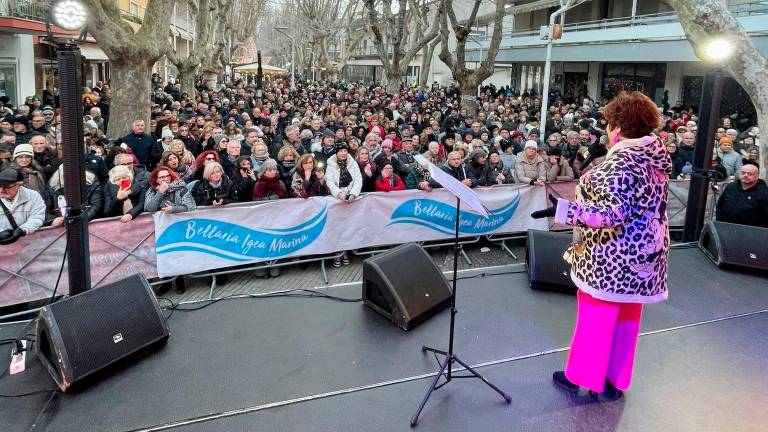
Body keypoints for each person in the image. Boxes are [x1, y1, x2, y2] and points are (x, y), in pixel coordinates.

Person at [531, 91, 672, 400]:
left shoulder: (620, 163)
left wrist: (566, 210)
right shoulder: (653, 158)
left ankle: (582, 376)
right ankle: (614, 379)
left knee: (596, 317)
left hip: (614, 256)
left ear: (617, 128)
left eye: (608, 124)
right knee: (627, 318)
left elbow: (611, 215)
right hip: (646, 255)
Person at [326, 142, 362, 268]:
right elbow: (329, 182)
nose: (344, 153)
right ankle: (339, 252)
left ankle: (346, 251)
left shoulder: (353, 163)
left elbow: (358, 179)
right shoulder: (330, 165)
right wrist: (339, 194)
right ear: (336, 153)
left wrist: (353, 194)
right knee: (338, 227)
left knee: (349, 227)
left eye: (345, 151)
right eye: (341, 151)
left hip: (351, 199)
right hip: (337, 199)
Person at [715, 162, 768, 228]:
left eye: (750, 174)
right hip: (725, 227)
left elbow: (766, 217)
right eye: (743, 173)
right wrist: (719, 222)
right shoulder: (731, 186)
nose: (745, 175)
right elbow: (720, 205)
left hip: (749, 232)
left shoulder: (763, 193)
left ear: (757, 176)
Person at [0, 167, 45, 241]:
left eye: (7, 187)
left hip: (27, 243)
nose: (1, 190)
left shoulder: (33, 196)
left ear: (19, 185)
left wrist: (23, 230)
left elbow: (37, 217)